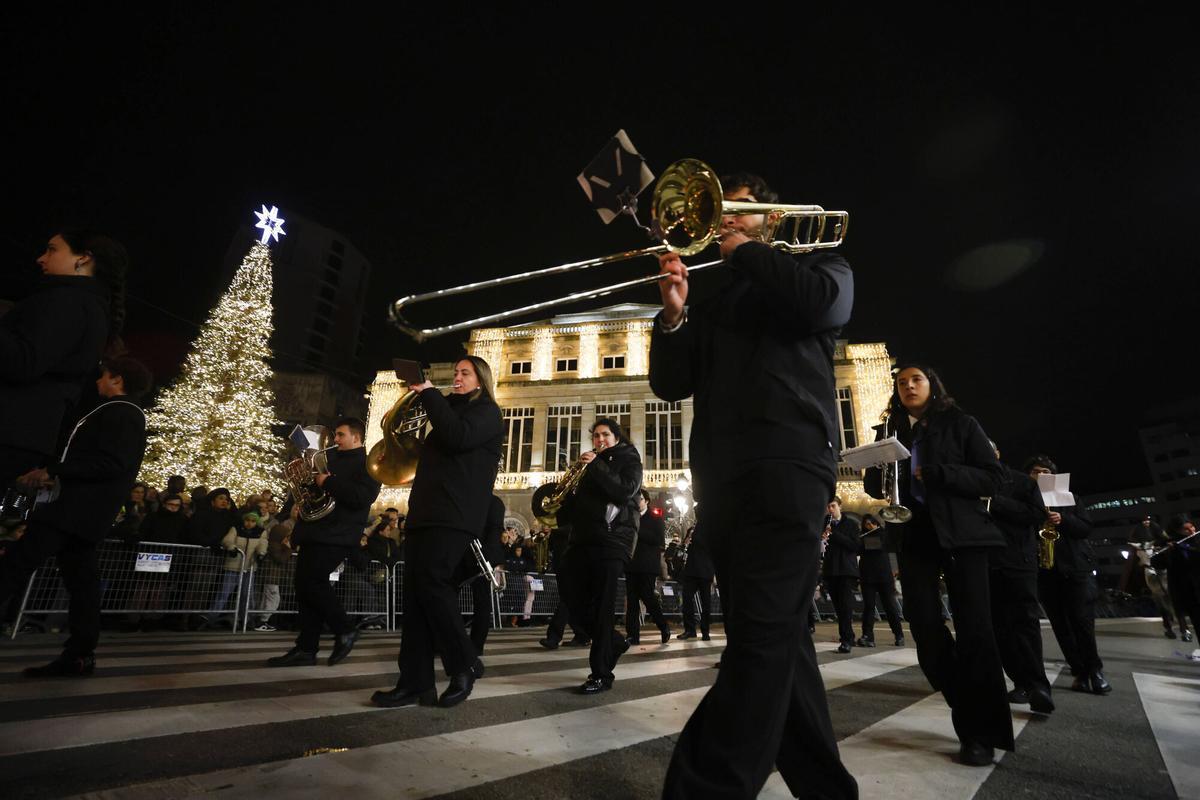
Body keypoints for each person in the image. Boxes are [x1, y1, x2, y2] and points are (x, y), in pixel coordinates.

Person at [650, 171, 857, 799]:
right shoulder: (718, 300)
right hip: (724, 478)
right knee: (777, 640)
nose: (727, 220)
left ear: (773, 219)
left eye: (741, 211)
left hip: (788, 466)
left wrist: (749, 249)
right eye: (724, 213)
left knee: (761, 641)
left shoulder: (821, 268)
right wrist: (675, 315)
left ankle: (702, 789)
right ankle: (827, 790)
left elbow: (825, 307)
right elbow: (671, 384)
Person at [864, 364, 1012, 766]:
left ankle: (979, 732)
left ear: (932, 385)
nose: (909, 386)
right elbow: (876, 488)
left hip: (963, 534)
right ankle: (969, 707)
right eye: (902, 382)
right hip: (916, 536)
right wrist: (875, 470)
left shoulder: (960, 422)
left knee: (975, 632)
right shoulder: (890, 430)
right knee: (926, 629)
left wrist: (940, 474)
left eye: (917, 380)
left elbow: (992, 477)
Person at [0, 356, 150, 676]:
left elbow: (110, 463)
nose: (97, 381)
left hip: (73, 509)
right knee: (82, 583)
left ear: (118, 380)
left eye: (104, 375)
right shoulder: (122, 413)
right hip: (84, 512)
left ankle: (80, 653)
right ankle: (80, 654)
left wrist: (55, 470)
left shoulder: (122, 413)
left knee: (15, 564)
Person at [371, 356, 502, 709]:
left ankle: (464, 664)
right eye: (456, 373)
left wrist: (430, 395)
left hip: (455, 515)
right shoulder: (444, 412)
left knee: (433, 585)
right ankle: (415, 682)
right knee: (414, 599)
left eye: (465, 373)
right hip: (426, 513)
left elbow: (459, 437)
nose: (457, 378)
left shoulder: (487, 412)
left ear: (480, 380)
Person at [0, 230, 128, 489]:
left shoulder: (68, 301)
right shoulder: (87, 305)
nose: (41, 258)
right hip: (24, 433)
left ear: (83, 259)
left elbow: (25, 361)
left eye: (52, 249)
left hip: (10, 427)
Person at [267, 417, 380, 668]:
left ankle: (345, 629)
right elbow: (314, 490)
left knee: (313, 582)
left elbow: (362, 497)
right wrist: (304, 482)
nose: (335, 440)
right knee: (304, 587)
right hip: (314, 531)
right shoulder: (328, 457)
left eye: (340, 435)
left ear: (356, 437)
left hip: (338, 534)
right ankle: (306, 648)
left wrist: (327, 482)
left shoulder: (369, 463)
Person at [558, 417, 642, 693]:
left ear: (617, 437)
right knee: (572, 598)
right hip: (583, 539)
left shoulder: (629, 459)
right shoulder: (590, 464)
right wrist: (563, 495)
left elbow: (623, 491)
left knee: (603, 606)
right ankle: (614, 643)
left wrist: (595, 465)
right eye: (595, 436)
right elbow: (574, 507)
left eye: (605, 434)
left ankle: (601, 674)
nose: (599, 439)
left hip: (612, 539)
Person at [1026, 455, 1110, 695]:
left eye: (1045, 471)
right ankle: (1079, 671)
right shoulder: (1026, 501)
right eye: (1035, 471)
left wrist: (1063, 519)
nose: (1041, 475)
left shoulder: (1069, 499)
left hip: (1075, 568)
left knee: (1082, 621)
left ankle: (1094, 670)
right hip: (1045, 570)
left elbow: (1085, 528)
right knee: (1060, 625)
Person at [988, 446, 1054, 713]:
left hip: (1018, 561)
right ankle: (1019, 682)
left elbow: (1036, 514)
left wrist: (993, 502)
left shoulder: (1022, 481)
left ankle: (1038, 684)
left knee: (1025, 623)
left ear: (997, 453)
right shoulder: (967, 480)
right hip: (986, 563)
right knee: (999, 628)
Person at [625, 489, 671, 645]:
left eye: (640, 499)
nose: (637, 501)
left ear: (646, 501)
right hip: (631, 564)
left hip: (647, 565)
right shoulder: (630, 517)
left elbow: (659, 540)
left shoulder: (655, 518)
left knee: (648, 597)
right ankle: (632, 635)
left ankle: (663, 626)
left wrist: (638, 531)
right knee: (631, 601)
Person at [856, 514, 905, 648]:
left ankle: (899, 634)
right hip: (867, 576)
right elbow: (856, 549)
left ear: (876, 523)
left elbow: (879, 545)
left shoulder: (883, 534)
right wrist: (860, 541)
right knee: (869, 607)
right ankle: (867, 636)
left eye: (871, 523)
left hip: (883, 575)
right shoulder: (862, 536)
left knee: (890, 606)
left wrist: (862, 542)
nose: (869, 526)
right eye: (866, 524)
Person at [822, 496, 860, 653]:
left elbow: (855, 545)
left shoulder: (851, 524)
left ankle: (845, 640)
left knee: (845, 605)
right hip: (831, 569)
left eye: (833, 506)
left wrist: (834, 535)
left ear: (840, 506)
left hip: (845, 570)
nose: (830, 509)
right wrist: (822, 538)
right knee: (838, 606)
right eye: (828, 507)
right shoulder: (824, 523)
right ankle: (849, 635)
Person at [677, 524, 714, 641]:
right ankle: (690, 629)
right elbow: (685, 545)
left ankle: (705, 630)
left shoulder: (711, 528)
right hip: (691, 570)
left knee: (706, 603)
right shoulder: (692, 529)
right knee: (687, 598)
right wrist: (686, 543)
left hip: (705, 570)